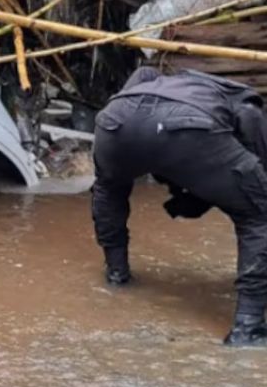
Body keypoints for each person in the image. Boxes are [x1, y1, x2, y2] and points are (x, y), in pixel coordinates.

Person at [91, 66, 267, 346]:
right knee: (260, 214)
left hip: (114, 120)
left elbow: (138, 78)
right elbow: (251, 128)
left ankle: (116, 274)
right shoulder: (243, 98)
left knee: (108, 188)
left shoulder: (154, 78)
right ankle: (248, 328)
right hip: (188, 127)